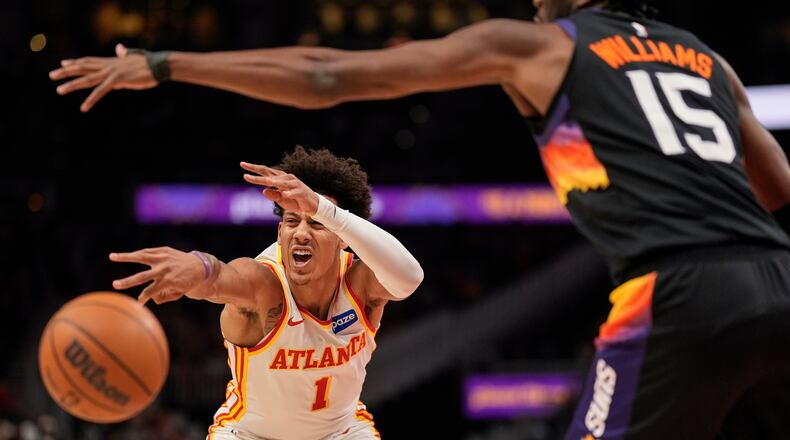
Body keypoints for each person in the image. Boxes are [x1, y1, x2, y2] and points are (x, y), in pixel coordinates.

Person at [51, 0, 790, 438]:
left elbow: (325, 74)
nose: (535, 1)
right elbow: (777, 187)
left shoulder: (538, 44)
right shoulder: (708, 61)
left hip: (675, 291)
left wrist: (168, 64)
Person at [109, 146, 424, 440]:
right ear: (280, 231)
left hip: (341, 432)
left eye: (316, 223)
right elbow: (220, 277)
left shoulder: (359, 284)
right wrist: (199, 267)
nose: (301, 233)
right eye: (291, 221)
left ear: (342, 237)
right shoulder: (265, 284)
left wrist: (326, 210)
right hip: (249, 434)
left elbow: (410, 278)